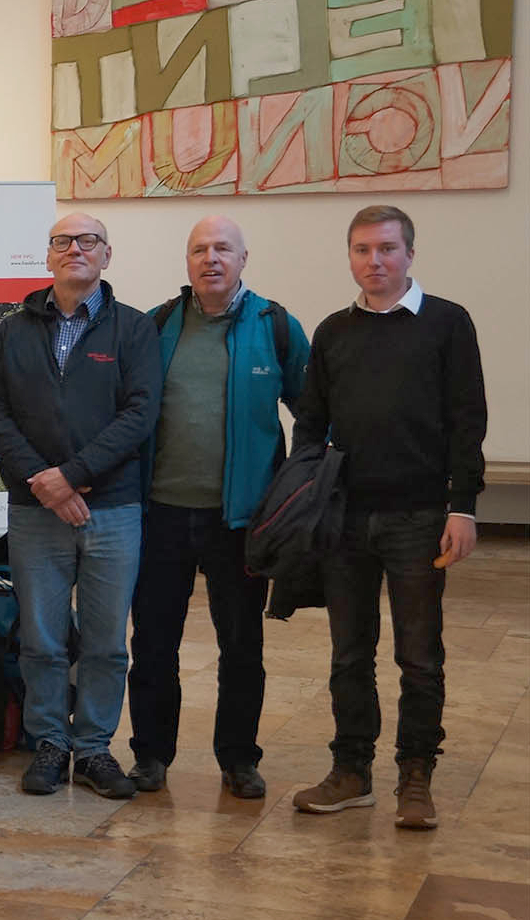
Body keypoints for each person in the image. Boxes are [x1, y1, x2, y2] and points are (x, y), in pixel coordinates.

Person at [291, 205, 486, 830]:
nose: (374, 261)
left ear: (409, 253)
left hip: (420, 518)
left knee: (419, 655)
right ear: (349, 256)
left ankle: (415, 776)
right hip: (346, 519)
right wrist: (303, 499)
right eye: (361, 250)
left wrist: (463, 507)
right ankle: (351, 772)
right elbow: (311, 425)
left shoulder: (447, 323)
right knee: (350, 654)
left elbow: (467, 422)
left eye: (386, 249)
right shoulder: (332, 332)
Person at [126, 216, 310, 799]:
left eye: (222, 249)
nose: (211, 258)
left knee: (241, 646)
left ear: (243, 258)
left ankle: (238, 759)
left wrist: (292, 494)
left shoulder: (274, 326)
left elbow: (314, 414)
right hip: (160, 515)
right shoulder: (155, 326)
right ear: (187, 261)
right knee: (153, 644)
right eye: (199, 249)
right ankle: (151, 755)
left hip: (241, 523)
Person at [0, 212, 160, 799]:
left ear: (107, 255)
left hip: (112, 509)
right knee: (41, 638)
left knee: (107, 641)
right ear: (49, 256)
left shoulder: (133, 330)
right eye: (63, 241)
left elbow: (139, 414)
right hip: (36, 510)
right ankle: (50, 742)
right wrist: (43, 480)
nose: (75, 249)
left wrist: (74, 477)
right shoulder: (12, 331)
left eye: (88, 241)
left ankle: (94, 749)